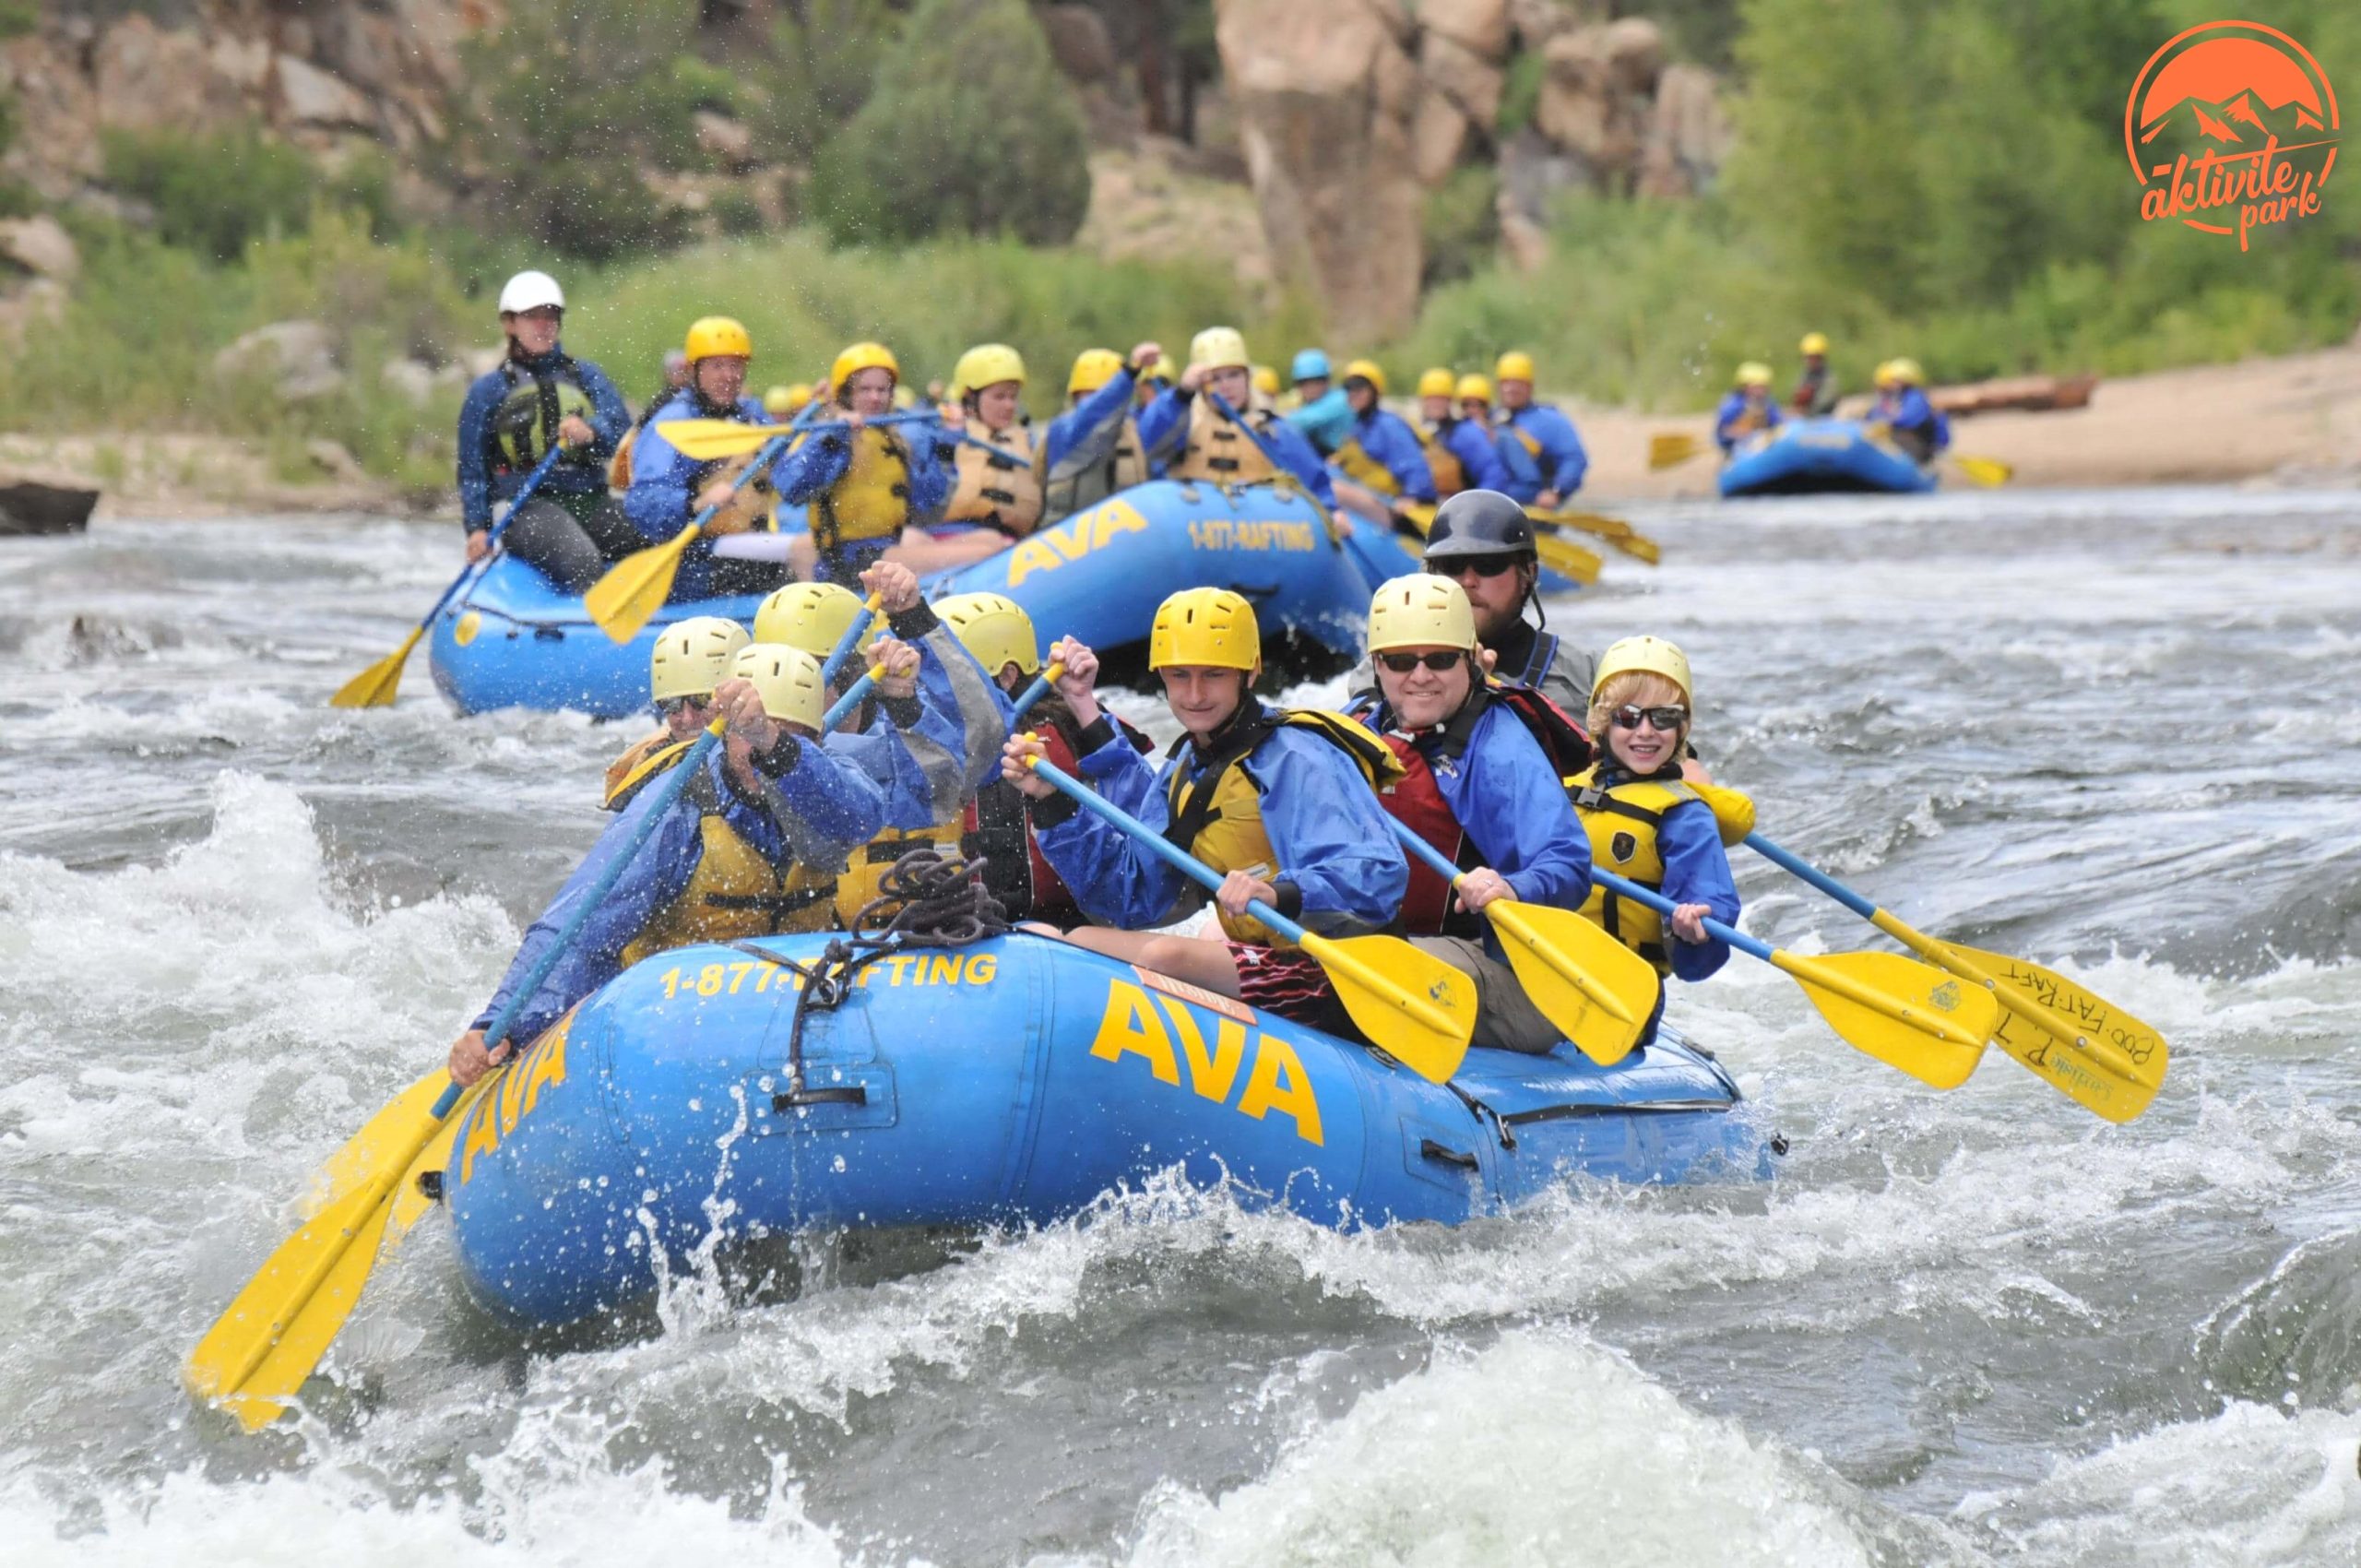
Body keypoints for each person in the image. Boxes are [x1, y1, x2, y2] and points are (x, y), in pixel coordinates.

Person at [446, 638, 909, 1086]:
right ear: (725, 734)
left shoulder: (834, 787)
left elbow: (857, 816)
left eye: (786, 738)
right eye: (746, 738)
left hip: (791, 1004)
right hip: (676, 1017)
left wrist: (773, 742)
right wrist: (503, 1025)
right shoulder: (674, 809)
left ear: (814, 741)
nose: (758, 755)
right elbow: (580, 932)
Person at [1001, 588, 1406, 1029]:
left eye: (1213, 674)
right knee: (1071, 940)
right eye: (1179, 676)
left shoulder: (1298, 756)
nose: (1194, 694)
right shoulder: (1188, 768)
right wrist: (1051, 801)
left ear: (1250, 672)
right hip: (1263, 959)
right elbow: (1130, 897)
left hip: (1337, 967)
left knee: (1165, 955)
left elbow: (1380, 873)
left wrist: (1280, 891)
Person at [1346, 576, 1593, 1052]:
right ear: (1377, 665)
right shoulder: (1361, 730)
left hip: (1506, 973)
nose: (1419, 676)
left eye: (1439, 659)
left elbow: (1568, 864)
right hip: (1394, 943)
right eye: (1400, 661)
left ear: (1470, 659)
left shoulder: (1501, 749)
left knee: (1364, 966)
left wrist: (1511, 886)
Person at [752, 565, 1013, 926]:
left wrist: (913, 618)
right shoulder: (751, 748)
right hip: (816, 945)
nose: (779, 691)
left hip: (927, 935)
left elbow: (985, 739)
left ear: (847, 672)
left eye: (799, 675)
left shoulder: (912, 727)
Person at [937, 591, 1150, 926]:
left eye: (948, 678)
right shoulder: (929, 741)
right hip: (960, 931)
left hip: (1068, 930)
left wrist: (1085, 706)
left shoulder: (1069, 725)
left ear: (1006, 676)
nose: (934, 692)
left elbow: (1144, 816)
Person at [1569, 636, 1739, 1039]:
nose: (1645, 732)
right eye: (1628, 716)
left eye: (1663, 717)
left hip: (1623, 991)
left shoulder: (1684, 816)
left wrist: (1698, 925)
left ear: (1681, 727)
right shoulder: (1562, 789)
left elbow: (1710, 895)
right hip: (1548, 962)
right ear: (1602, 721)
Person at [455, 269, 632, 587]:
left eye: (550, 316)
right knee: (581, 560)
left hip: (590, 498)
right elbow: (473, 470)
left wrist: (591, 432)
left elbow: (624, 433)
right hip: (527, 510)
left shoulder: (586, 377)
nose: (543, 325)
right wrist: (478, 528)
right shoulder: (489, 391)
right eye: (531, 317)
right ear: (510, 324)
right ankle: (589, 628)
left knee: (658, 532)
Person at [622, 316, 797, 600]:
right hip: (695, 560)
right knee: (801, 553)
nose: (729, 376)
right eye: (717, 366)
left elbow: (795, 483)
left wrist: (830, 438)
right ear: (694, 371)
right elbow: (642, 506)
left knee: (819, 555)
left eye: (736, 365)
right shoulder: (670, 425)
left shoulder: (752, 417)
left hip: (752, 546)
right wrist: (696, 503)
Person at [770, 340, 958, 586]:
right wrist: (835, 437)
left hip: (885, 549)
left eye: (882, 390)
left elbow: (930, 504)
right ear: (846, 394)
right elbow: (790, 488)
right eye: (865, 390)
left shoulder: (895, 438)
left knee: (981, 542)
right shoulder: (829, 433)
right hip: (847, 563)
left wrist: (946, 447)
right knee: (980, 552)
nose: (875, 397)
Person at [1416, 489, 1595, 715]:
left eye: (1489, 565)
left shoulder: (1584, 678)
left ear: (1528, 575)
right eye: (1452, 565)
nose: (1469, 581)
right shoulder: (1391, 670)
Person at [1138, 327, 1344, 518]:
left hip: (1257, 532)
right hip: (1197, 526)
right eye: (1215, 379)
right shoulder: (1184, 422)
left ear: (1247, 377)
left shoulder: (1270, 428)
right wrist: (1181, 394)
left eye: (1234, 375)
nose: (1226, 385)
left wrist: (1331, 512)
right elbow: (1148, 440)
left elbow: (1314, 480)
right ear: (1201, 384)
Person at [602, 615, 750, 806]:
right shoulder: (653, 766)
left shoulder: (775, 760)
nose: (687, 719)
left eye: (702, 701)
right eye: (671, 704)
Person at [921, 343, 1046, 567]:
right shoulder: (941, 434)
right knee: (995, 543)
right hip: (950, 539)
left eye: (1013, 396)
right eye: (999, 397)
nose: (1009, 405)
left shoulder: (1026, 440)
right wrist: (952, 434)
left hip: (1011, 541)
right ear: (970, 397)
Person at [1041, 341, 1166, 524]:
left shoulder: (1135, 430)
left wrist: (1184, 392)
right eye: (1089, 395)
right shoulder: (1063, 431)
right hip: (1072, 537)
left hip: (1125, 538)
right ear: (1075, 397)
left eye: (1101, 393)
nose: (1097, 401)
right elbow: (1094, 413)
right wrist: (1129, 374)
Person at [1328, 360, 1436, 505]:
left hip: (1390, 506)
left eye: (1360, 388)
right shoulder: (1357, 426)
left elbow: (1414, 465)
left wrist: (1413, 496)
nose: (1354, 393)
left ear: (1374, 391)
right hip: (1367, 501)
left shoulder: (1388, 425)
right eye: (1349, 388)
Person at [1489, 350, 1588, 508]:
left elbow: (1574, 459)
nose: (1511, 389)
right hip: (1496, 501)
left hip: (1535, 504)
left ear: (1530, 387)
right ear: (1498, 386)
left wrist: (1556, 492)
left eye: (1518, 383)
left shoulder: (1550, 421)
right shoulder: (1489, 418)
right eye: (1506, 383)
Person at [1869, 357, 1949, 464]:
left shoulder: (1916, 398)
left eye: (1895, 380)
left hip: (1919, 445)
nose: (1891, 383)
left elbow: (1908, 420)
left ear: (1905, 380)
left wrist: (1886, 422)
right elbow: (1876, 415)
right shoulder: (1897, 397)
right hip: (1907, 442)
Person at [1282, 347, 1353, 456]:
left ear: (1327, 380)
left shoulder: (1340, 399)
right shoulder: (1308, 404)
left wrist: (1275, 419)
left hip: (1348, 464)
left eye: (1316, 381)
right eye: (1303, 383)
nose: (1310, 388)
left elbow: (1305, 420)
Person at [1714, 362, 1784, 455]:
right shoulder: (1733, 405)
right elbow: (1723, 432)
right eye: (1757, 387)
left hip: (1762, 444)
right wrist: (1743, 433)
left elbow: (1777, 422)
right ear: (1744, 386)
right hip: (1738, 447)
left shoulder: (1767, 402)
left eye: (1763, 387)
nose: (1761, 390)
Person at [1791, 331, 1838, 415]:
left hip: (1825, 417)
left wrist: (1811, 410)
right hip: (1807, 418)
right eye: (1809, 357)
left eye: (1815, 357)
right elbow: (1796, 395)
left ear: (1821, 357)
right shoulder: (1804, 376)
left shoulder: (1828, 377)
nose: (1811, 361)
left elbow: (1827, 399)